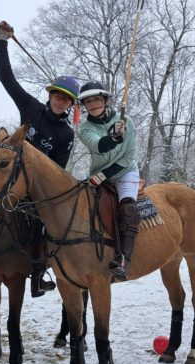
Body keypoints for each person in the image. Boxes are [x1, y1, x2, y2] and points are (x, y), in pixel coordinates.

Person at [0, 20, 80, 297]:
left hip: (39, 189)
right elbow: (7, 80)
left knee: (46, 228)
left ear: (70, 105)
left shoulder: (66, 134)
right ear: (51, 96)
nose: (61, 101)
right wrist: (2, 42)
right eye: (58, 96)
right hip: (12, 177)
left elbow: (58, 169)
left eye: (66, 100)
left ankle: (39, 273)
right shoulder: (31, 107)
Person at [77, 81, 140, 281]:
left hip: (125, 172)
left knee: (128, 209)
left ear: (105, 100)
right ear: (84, 105)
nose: (93, 104)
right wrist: (113, 136)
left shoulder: (126, 121)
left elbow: (128, 157)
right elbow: (98, 146)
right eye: (88, 101)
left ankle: (123, 260)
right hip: (98, 174)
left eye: (96, 99)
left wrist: (103, 176)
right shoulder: (84, 129)